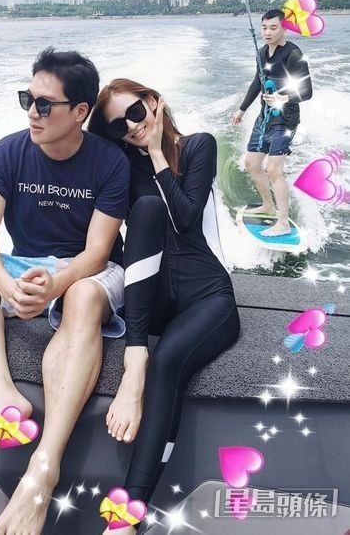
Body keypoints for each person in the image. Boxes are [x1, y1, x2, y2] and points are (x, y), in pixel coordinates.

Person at [0, 48, 130, 535]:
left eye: (45, 104)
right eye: (28, 99)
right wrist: (8, 286)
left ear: (80, 111)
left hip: (84, 269)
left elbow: (97, 251)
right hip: (25, 266)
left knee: (83, 298)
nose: (32, 113)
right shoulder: (7, 152)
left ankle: (43, 470)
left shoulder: (109, 162)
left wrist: (56, 286)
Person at [88, 79, 241, 532]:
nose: (132, 126)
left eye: (136, 112)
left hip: (207, 297)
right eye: (118, 125)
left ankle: (126, 517)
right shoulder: (121, 168)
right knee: (147, 211)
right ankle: (134, 357)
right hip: (151, 301)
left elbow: (186, 218)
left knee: (169, 359)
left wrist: (156, 153)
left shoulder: (199, 146)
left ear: (155, 102)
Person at [232, 9, 313, 236]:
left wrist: (283, 97)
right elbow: (257, 83)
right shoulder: (261, 53)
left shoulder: (293, 55)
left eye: (273, 28)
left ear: (284, 28)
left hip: (285, 120)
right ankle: (268, 205)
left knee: (274, 169)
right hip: (265, 117)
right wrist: (242, 109)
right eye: (264, 28)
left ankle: (283, 223)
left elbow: (307, 91)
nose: (267, 32)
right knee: (252, 163)